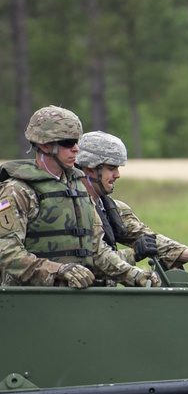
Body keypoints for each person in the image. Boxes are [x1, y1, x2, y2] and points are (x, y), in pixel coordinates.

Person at [0, 106, 160, 289]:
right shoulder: (18, 191)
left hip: (78, 301)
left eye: (77, 141)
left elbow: (96, 250)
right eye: (68, 143)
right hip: (30, 303)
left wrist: (135, 275)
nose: (76, 149)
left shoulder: (78, 188)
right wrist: (58, 271)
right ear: (45, 145)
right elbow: (7, 253)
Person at [75, 130, 188, 280]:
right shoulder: (74, 209)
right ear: (90, 169)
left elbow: (147, 238)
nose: (117, 175)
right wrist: (135, 258)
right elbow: (95, 260)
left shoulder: (109, 207)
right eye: (111, 169)